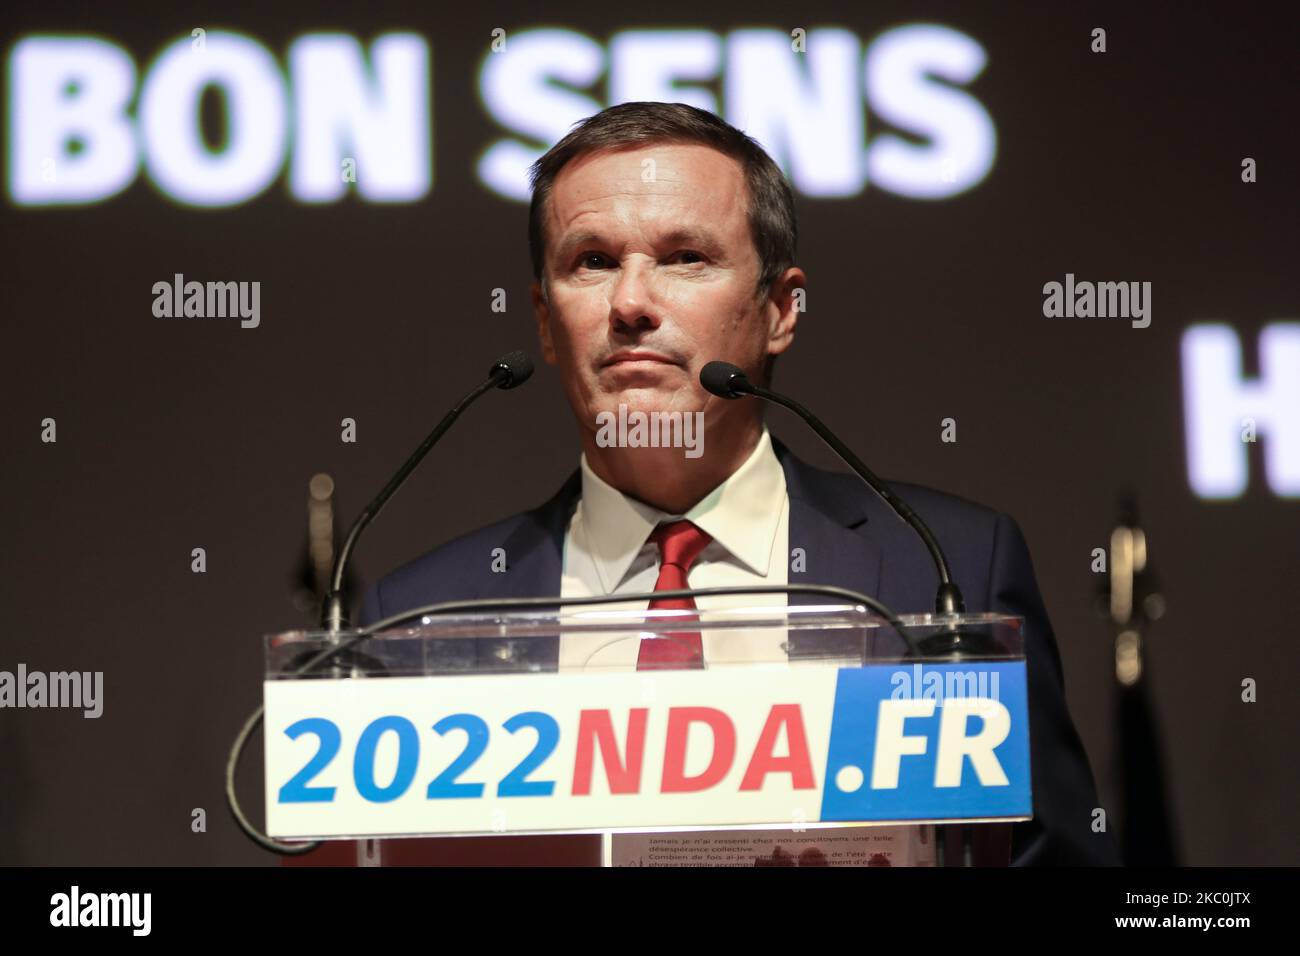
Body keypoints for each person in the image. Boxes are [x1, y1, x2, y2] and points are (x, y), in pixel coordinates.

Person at [357, 101, 1118, 866]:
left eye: (686, 256)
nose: (629, 304)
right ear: (545, 322)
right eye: (592, 261)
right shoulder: (415, 622)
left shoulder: (948, 568)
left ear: (782, 310)